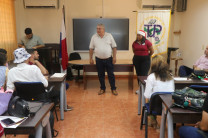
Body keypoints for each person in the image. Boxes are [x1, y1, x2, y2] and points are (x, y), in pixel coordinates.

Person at [144, 55, 174, 129]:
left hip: (155, 108)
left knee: (149, 97)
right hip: (168, 106)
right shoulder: (171, 76)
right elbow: (172, 91)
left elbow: (147, 95)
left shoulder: (151, 77)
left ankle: (153, 120)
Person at [89, 23, 118, 95]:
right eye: (97, 28)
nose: (98, 30)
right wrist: (90, 58)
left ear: (103, 29)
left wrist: (114, 57)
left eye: (99, 28)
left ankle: (113, 89)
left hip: (109, 59)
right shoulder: (94, 37)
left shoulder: (109, 36)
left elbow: (114, 47)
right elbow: (91, 48)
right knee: (100, 75)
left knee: (111, 75)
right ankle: (102, 88)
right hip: (98, 60)